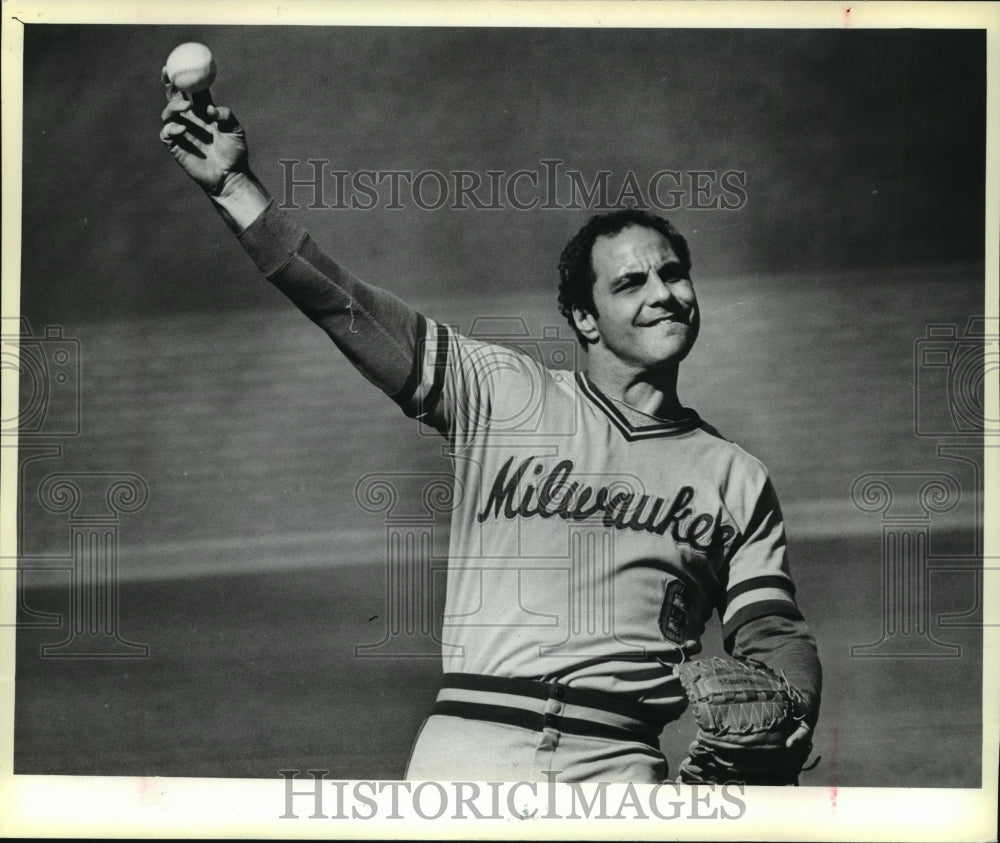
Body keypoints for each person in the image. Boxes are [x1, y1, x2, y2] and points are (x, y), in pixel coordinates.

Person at [159, 86, 821, 784]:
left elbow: (772, 629)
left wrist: (796, 704)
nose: (663, 293)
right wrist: (234, 188)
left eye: (674, 273)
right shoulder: (500, 393)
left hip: (621, 768)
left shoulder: (736, 476)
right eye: (631, 283)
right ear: (585, 318)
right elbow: (344, 302)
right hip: (470, 753)